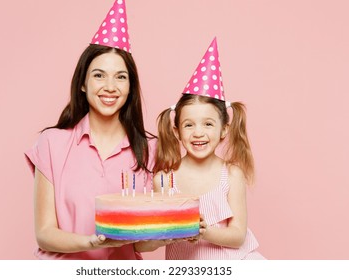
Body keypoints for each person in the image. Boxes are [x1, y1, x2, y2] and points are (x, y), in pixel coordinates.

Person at [25, 0, 155, 260]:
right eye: (99, 75)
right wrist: (92, 242)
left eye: (120, 76)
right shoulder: (52, 143)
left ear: (130, 87)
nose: (110, 86)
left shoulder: (150, 148)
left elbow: (143, 243)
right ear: (83, 83)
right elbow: (45, 232)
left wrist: (175, 231)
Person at [135, 38, 264, 259]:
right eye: (189, 125)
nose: (198, 133)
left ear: (224, 129)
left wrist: (204, 232)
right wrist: (162, 235)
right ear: (177, 131)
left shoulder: (231, 175)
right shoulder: (164, 181)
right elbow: (145, 242)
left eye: (208, 124)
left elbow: (238, 235)